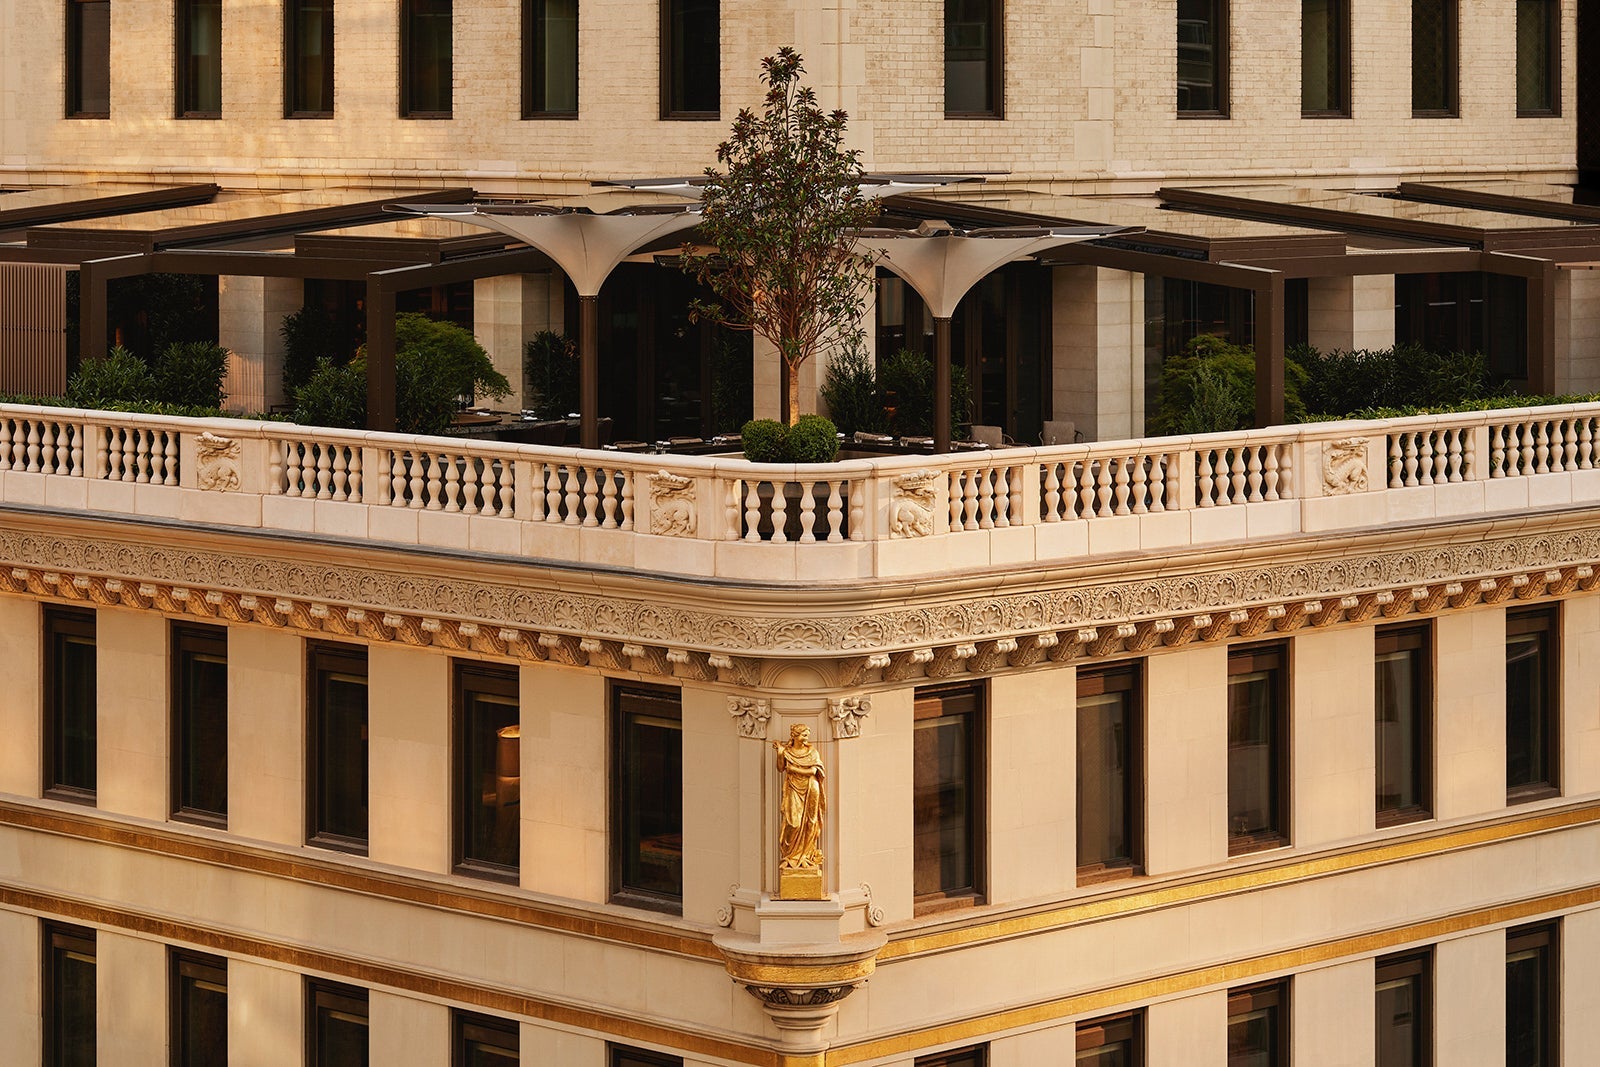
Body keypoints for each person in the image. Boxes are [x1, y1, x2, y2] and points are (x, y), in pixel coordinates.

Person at [772, 723, 826, 871]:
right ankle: (791, 856)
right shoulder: (788, 751)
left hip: (810, 787)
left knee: (811, 821)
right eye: (803, 735)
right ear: (795, 736)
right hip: (793, 787)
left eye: (807, 735)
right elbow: (780, 767)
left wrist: (794, 769)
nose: (806, 738)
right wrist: (780, 753)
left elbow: (814, 771)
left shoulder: (812, 752)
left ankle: (805, 856)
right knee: (793, 823)